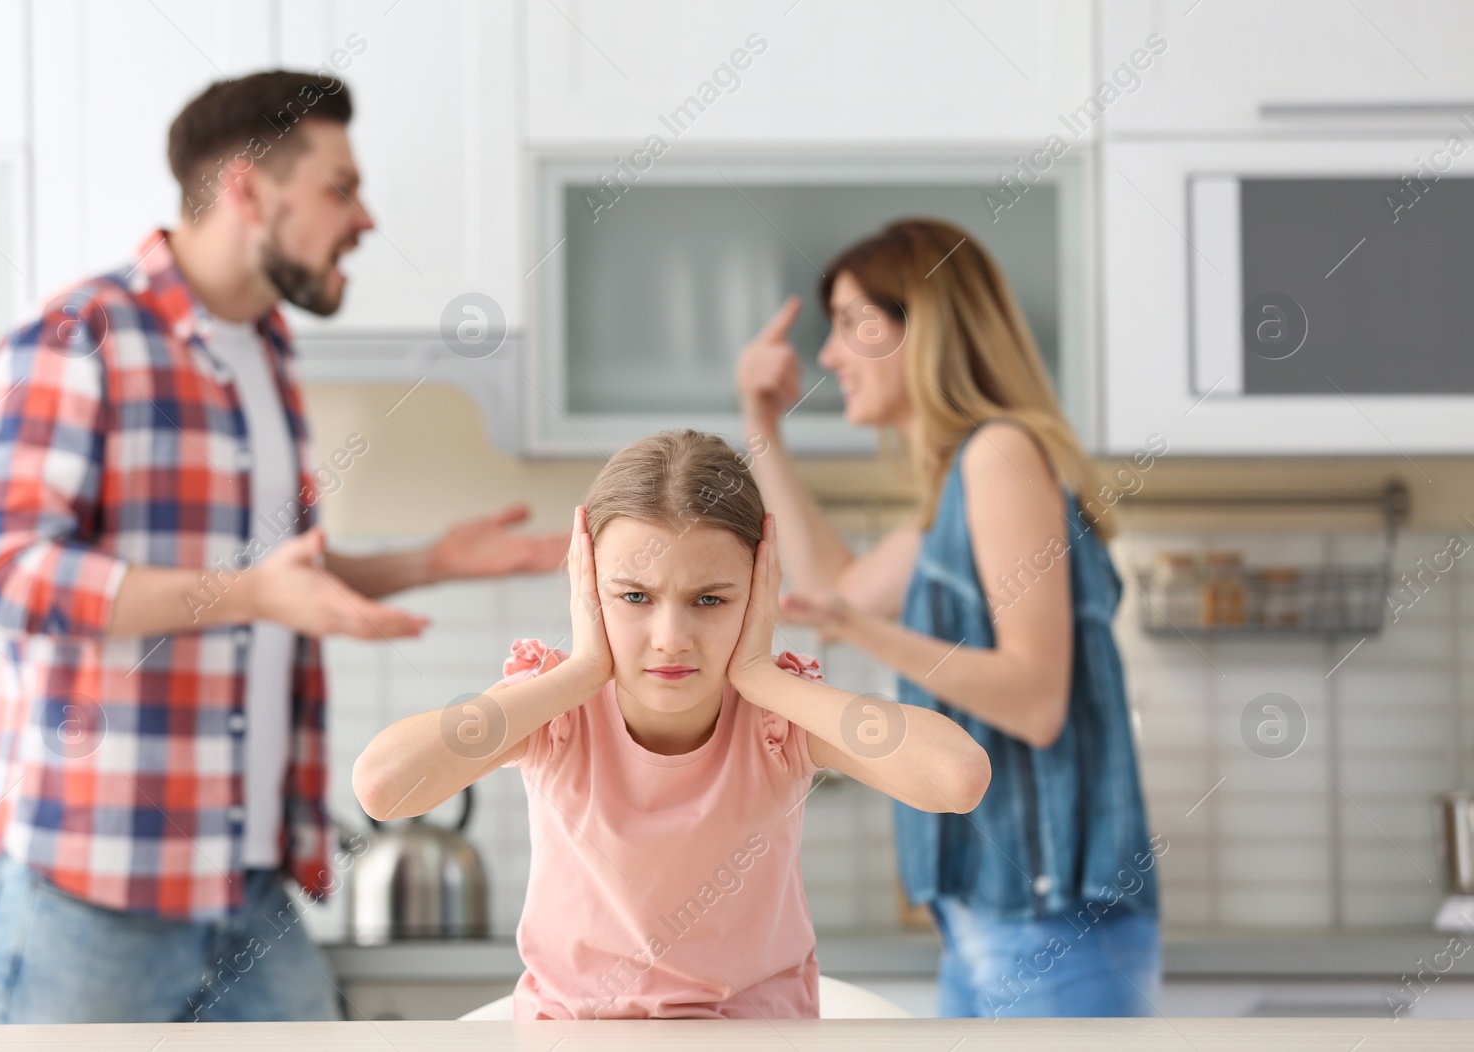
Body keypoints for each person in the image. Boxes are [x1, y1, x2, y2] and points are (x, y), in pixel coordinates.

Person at [0, 70, 566, 1024]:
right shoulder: (81, 336)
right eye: (340, 187)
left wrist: (431, 561)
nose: (364, 217)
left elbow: (273, 577)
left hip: (244, 881)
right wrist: (247, 595)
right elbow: (15, 576)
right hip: (93, 881)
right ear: (248, 189)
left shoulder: (267, 348)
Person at [352, 429, 990, 1019]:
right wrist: (578, 674)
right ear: (588, 585)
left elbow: (957, 777)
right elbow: (382, 785)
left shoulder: (777, 717)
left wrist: (764, 674)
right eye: (634, 597)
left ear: (759, 590)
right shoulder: (555, 711)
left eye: (710, 600)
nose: (671, 638)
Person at [734, 219, 1162, 1018]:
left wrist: (861, 630)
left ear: (925, 327)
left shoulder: (1000, 456)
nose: (830, 357)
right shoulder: (959, 485)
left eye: (855, 324)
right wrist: (761, 428)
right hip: (987, 921)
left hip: (1051, 923)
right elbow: (841, 590)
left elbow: (1035, 701)